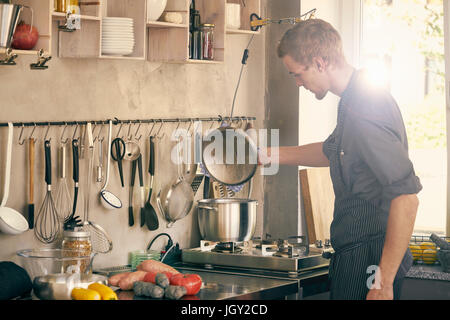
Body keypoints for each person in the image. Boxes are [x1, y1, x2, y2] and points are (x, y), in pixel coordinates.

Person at [261, 18, 422, 300]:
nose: (298, 83)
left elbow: (406, 197)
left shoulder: (366, 108)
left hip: (370, 258)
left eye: (298, 74)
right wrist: (271, 155)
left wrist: (382, 284)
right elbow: (332, 150)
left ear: (320, 63)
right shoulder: (352, 99)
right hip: (355, 256)